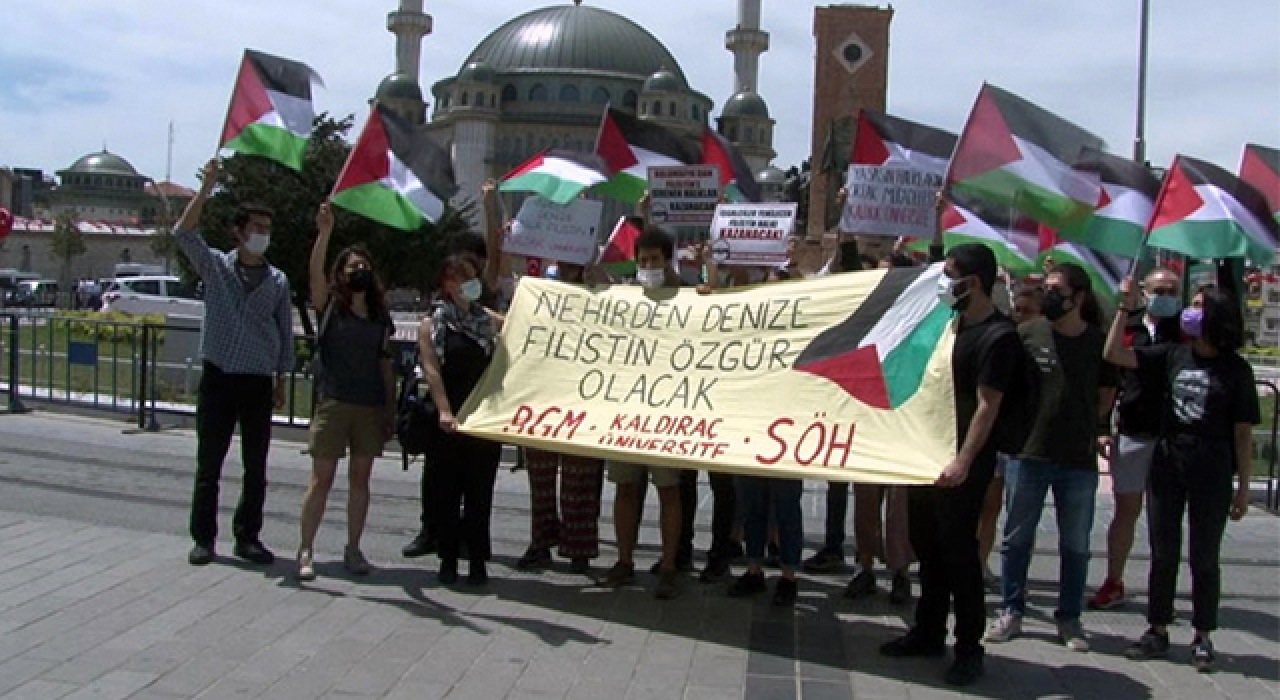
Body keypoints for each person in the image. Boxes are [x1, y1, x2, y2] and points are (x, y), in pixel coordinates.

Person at [880, 242, 1023, 687]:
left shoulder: (999, 337)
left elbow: (988, 405)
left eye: (949, 275)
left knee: (959, 554)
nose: (943, 283)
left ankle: (968, 648)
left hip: (963, 462)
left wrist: (964, 460)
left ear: (973, 283)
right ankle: (927, 630)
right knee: (927, 546)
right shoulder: (948, 323)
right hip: (928, 453)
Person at [1106, 282, 1258, 672]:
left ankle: (1203, 634)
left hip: (1212, 467)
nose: (1190, 311)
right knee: (1163, 551)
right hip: (1168, 462)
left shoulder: (1236, 370)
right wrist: (1125, 309)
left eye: (1199, 305)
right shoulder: (1174, 354)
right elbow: (1114, 354)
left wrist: (1242, 488)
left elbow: (1243, 434)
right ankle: (1157, 628)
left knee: (1204, 556)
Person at [986, 263, 1118, 652]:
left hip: (1077, 458)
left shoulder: (1097, 342)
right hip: (1029, 452)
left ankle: (1069, 619)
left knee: (1075, 543)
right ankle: (1011, 610)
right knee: (1016, 538)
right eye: (1046, 288)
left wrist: (1090, 425)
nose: (1049, 295)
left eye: (1057, 289)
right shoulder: (1028, 334)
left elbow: (1107, 394)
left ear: (1079, 297)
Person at [178, 158, 294, 567]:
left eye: (267, 229)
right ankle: (203, 539)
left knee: (255, 467)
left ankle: (248, 536)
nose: (263, 235)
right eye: (256, 228)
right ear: (239, 232)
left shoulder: (278, 280)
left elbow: (284, 331)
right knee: (209, 464)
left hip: (257, 381)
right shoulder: (216, 267)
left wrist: (282, 380)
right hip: (219, 377)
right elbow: (184, 233)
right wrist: (206, 188)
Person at [295, 201, 395, 581]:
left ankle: (354, 548)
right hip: (334, 402)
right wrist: (324, 233)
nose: (359, 271)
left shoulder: (380, 315)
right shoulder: (331, 308)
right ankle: (306, 548)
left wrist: (389, 408)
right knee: (321, 478)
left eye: (364, 266)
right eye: (352, 266)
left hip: (369, 406)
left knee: (360, 480)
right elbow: (314, 275)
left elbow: (385, 363)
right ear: (341, 273)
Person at [597, 227, 689, 600]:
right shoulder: (625, 297)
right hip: (628, 409)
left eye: (654, 260)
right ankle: (624, 561)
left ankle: (668, 567)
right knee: (625, 487)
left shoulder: (687, 299)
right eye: (642, 260)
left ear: (667, 261)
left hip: (667, 411)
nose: (648, 266)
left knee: (668, 490)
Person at [1088, 267, 1183, 609]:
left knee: (1166, 517)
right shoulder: (1127, 328)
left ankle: (1163, 590)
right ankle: (1113, 580)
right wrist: (1102, 427)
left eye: (1172, 291)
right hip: (1133, 429)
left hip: (1173, 434)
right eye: (1159, 290)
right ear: (1144, 291)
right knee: (1126, 510)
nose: (1165, 297)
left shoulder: (1185, 332)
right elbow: (1109, 371)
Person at [420, 254, 505, 585]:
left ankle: (478, 561)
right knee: (446, 493)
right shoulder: (434, 324)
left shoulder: (487, 320)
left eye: (472, 277)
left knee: (479, 494)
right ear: (447, 284)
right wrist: (444, 410)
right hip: (449, 420)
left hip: (482, 420)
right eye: (461, 278)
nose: (469, 284)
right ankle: (448, 559)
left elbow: (521, 322)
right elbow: (432, 370)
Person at [517, 261, 606, 576]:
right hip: (543, 399)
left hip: (584, 400)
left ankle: (579, 549)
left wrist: (602, 285)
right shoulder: (542, 289)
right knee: (540, 476)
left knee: (581, 477)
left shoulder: (599, 290)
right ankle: (541, 542)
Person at [977, 283, 1043, 584]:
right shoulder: (1004, 338)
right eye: (1017, 309)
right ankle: (977, 562)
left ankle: (1003, 571)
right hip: (995, 434)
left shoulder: (1041, 345)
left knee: (1013, 512)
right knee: (986, 504)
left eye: (1027, 311)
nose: (1020, 315)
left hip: (1024, 439)